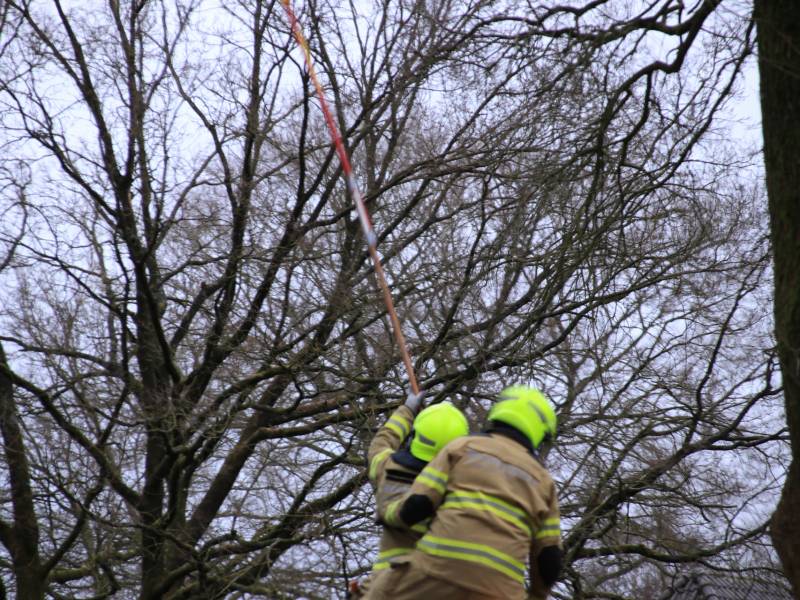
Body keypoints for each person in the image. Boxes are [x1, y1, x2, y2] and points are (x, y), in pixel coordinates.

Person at [376, 385, 562, 600]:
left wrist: (388, 513)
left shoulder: (462, 448)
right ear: (540, 431)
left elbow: (417, 504)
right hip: (501, 590)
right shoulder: (544, 482)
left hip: (434, 573)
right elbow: (549, 559)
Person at [348, 389, 469, 599]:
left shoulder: (386, 468)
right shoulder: (455, 490)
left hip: (383, 584)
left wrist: (407, 410)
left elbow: (381, 443)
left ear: (415, 436)